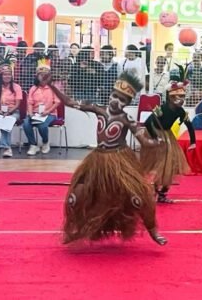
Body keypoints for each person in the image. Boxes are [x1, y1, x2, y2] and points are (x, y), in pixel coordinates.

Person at [55, 72, 167, 245]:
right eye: (115, 96)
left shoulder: (126, 118)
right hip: (97, 160)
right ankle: (75, 229)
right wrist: (51, 86)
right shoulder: (97, 109)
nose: (116, 101)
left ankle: (153, 231)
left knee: (138, 198)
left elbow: (143, 140)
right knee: (75, 197)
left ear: (128, 103)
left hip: (120, 162)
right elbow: (69, 102)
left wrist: (156, 142)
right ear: (110, 94)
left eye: (122, 99)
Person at [141, 65, 195, 203]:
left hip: (167, 135)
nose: (181, 99)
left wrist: (193, 142)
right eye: (178, 96)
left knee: (169, 166)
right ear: (170, 97)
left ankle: (162, 193)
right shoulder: (161, 109)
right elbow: (148, 123)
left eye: (183, 96)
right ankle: (154, 191)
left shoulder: (180, 111)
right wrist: (155, 138)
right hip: (154, 134)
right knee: (159, 164)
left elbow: (189, 126)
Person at [23, 59, 61, 156]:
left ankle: (45, 143)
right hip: (35, 113)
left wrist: (47, 111)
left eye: (45, 75)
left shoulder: (53, 88)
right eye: (41, 75)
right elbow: (30, 102)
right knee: (26, 123)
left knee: (42, 125)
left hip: (50, 114)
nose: (43, 77)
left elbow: (57, 102)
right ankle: (33, 145)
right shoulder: (33, 88)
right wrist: (30, 113)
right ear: (37, 76)